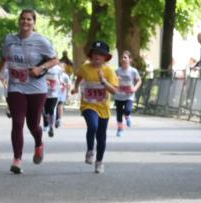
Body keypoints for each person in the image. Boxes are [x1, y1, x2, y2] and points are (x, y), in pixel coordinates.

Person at [0, 9, 57, 174]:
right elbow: (4, 57)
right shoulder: (10, 39)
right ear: (19, 21)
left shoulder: (41, 41)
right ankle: (17, 159)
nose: (25, 22)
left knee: (33, 124)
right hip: (16, 86)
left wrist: (41, 68)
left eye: (29, 20)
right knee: (17, 122)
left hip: (36, 88)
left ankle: (39, 143)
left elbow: (55, 59)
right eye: (23, 19)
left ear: (34, 23)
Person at [73, 41, 118, 174]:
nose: (97, 56)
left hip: (103, 107)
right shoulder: (85, 68)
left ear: (105, 57)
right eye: (95, 54)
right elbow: (79, 77)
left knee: (101, 136)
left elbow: (114, 91)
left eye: (100, 54)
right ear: (91, 55)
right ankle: (90, 150)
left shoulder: (108, 71)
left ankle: (99, 162)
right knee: (93, 126)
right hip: (88, 104)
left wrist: (104, 82)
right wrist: (76, 87)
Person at [114, 50, 142, 136]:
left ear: (130, 59)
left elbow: (139, 81)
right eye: (122, 57)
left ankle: (127, 116)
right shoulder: (117, 71)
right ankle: (120, 129)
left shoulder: (133, 71)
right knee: (119, 113)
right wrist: (116, 80)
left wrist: (135, 88)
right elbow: (112, 81)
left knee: (127, 110)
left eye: (125, 57)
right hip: (118, 95)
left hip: (129, 95)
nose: (123, 59)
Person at [43, 62, 65, 137]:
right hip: (44, 93)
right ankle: (47, 121)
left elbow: (61, 78)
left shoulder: (58, 69)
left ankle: (51, 128)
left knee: (52, 109)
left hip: (54, 93)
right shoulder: (43, 67)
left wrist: (62, 84)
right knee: (46, 111)